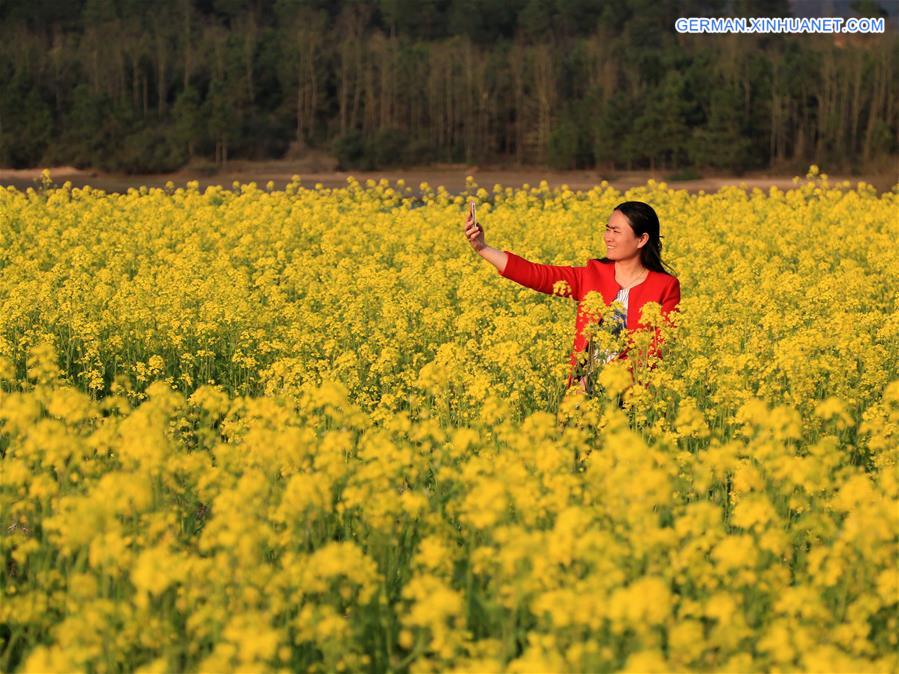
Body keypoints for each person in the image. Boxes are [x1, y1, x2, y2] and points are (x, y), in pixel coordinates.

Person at [463, 200, 680, 395]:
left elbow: (656, 347)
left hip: (632, 397)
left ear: (642, 239)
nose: (608, 237)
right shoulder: (591, 273)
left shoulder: (665, 286)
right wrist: (482, 248)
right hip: (581, 393)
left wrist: (600, 381)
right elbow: (536, 274)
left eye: (616, 231)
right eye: (607, 229)